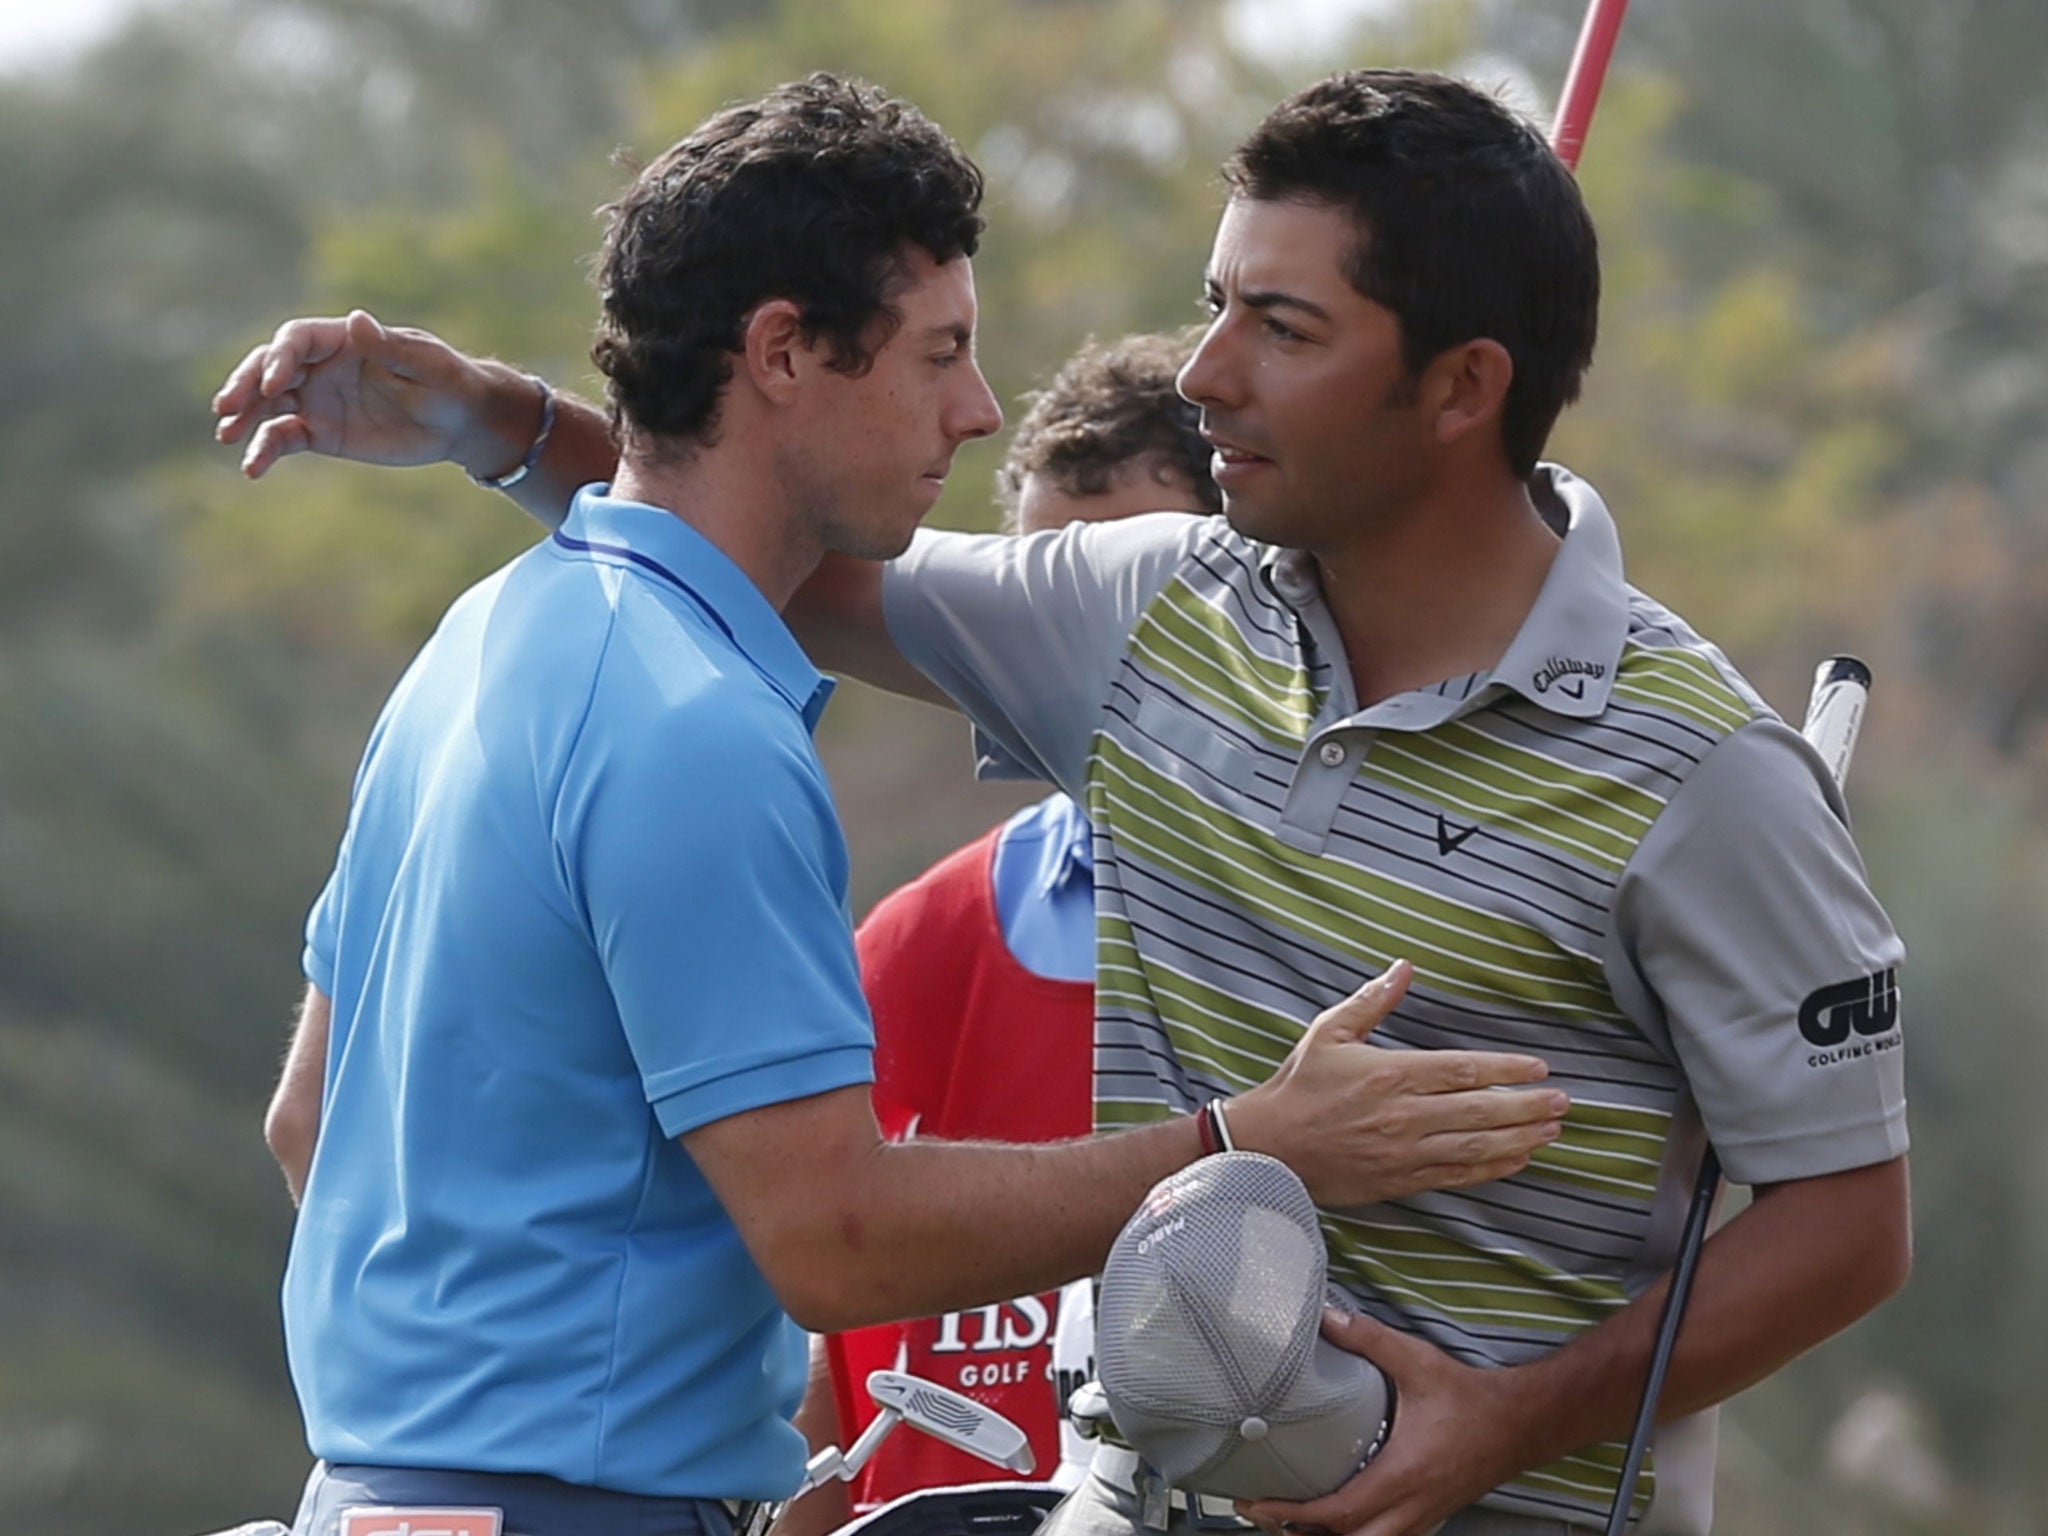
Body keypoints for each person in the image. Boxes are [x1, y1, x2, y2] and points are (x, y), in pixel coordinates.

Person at [216, 68, 1911, 1536]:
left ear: (1462, 387)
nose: (1202, 374)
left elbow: (1847, 1225)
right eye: (1215, 302)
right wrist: (505, 422)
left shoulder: (1701, 774)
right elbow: (776, 543)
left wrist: (1519, 1415)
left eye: (1281, 328)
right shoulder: (1147, 606)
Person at [792, 331, 1223, 1532]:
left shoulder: (1319, 928)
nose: (1067, 655)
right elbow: (811, 1321)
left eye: (1116, 591)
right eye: (1040, 589)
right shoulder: (920, 937)